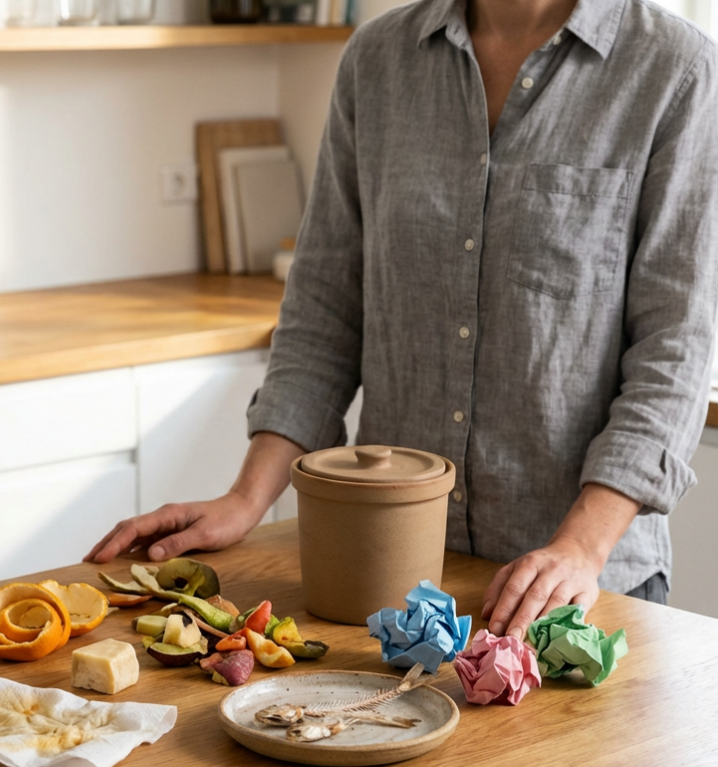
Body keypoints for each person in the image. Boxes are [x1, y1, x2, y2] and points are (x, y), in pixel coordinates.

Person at [88, 0, 718, 642]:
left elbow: (676, 352)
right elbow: (325, 308)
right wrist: (247, 498)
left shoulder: (674, 68)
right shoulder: (376, 60)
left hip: (580, 592)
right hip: (390, 580)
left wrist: (580, 547)